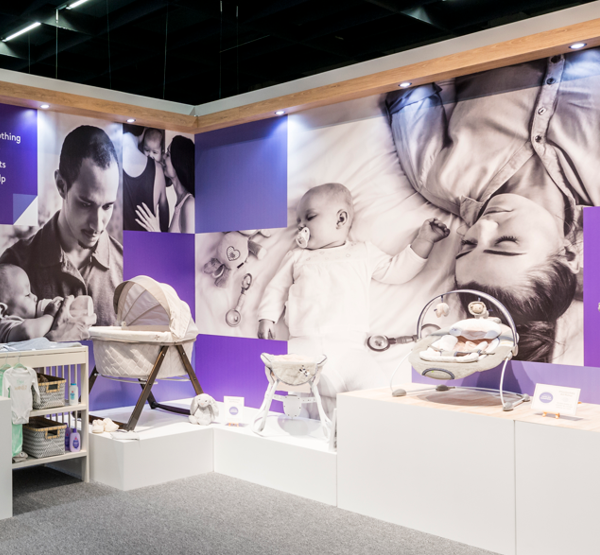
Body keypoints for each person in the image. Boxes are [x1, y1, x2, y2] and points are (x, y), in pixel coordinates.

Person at [385, 48, 600, 361]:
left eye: (468, 244)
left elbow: (403, 71)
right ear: (567, 254)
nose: (483, 226)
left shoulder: (437, 180)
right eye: (505, 243)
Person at [256, 183, 449, 396]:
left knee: (376, 389)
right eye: (299, 223)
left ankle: (355, 414)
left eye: (309, 218)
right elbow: (277, 287)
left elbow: (397, 270)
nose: (302, 228)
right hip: (303, 343)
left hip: (349, 348)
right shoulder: (297, 256)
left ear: (341, 219)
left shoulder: (362, 253)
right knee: (280, 385)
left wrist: (425, 240)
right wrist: (267, 317)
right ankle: (303, 411)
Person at [0, 125, 123, 326]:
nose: (97, 224)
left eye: (107, 206)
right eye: (86, 204)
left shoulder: (126, 268)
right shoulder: (15, 265)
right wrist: (51, 339)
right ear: (61, 186)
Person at [0, 263, 96, 344]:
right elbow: (27, 332)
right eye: (27, 294)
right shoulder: (4, 326)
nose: (35, 297)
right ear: (3, 312)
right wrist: (50, 315)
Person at [135, 135, 195, 234]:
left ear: (178, 162)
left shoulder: (190, 204)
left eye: (168, 154)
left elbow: (190, 244)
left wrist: (157, 231)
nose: (163, 157)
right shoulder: (181, 202)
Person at [122, 128, 169, 232]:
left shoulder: (159, 170)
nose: (150, 155)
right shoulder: (158, 170)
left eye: (155, 152)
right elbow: (164, 209)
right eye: (147, 150)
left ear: (162, 152)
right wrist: (163, 235)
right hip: (147, 236)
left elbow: (164, 211)